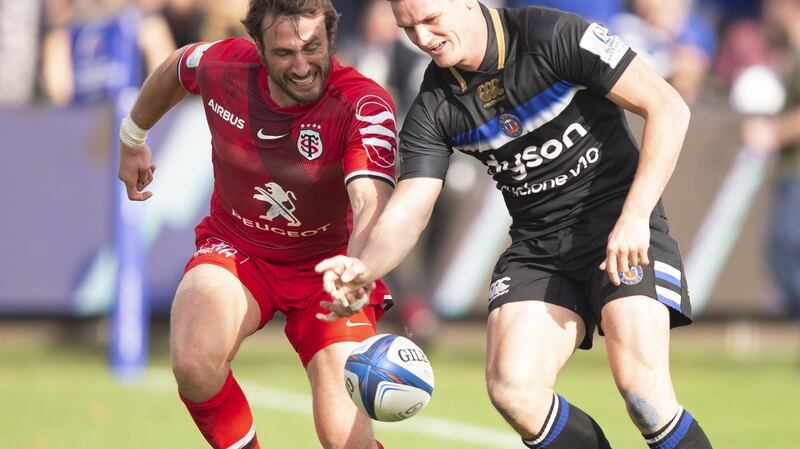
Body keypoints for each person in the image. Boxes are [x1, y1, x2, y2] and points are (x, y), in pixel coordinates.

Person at [315, 1, 714, 448]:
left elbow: (668, 107)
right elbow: (411, 207)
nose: (423, 39)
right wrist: (364, 268)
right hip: (539, 245)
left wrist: (636, 216)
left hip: (619, 226)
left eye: (431, 21)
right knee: (513, 391)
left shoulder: (551, 35)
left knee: (644, 394)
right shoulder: (434, 103)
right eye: (409, 29)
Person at [116, 0, 398, 448]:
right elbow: (174, 67)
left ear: (331, 37)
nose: (303, 65)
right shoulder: (225, 65)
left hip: (328, 270)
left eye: (313, 47)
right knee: (193, 361)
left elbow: (370, 198)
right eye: (285, 52)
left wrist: (360, 267)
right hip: (237, 248)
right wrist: (133, 136)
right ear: (259, 49)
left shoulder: (364, 104)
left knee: (346, 440)